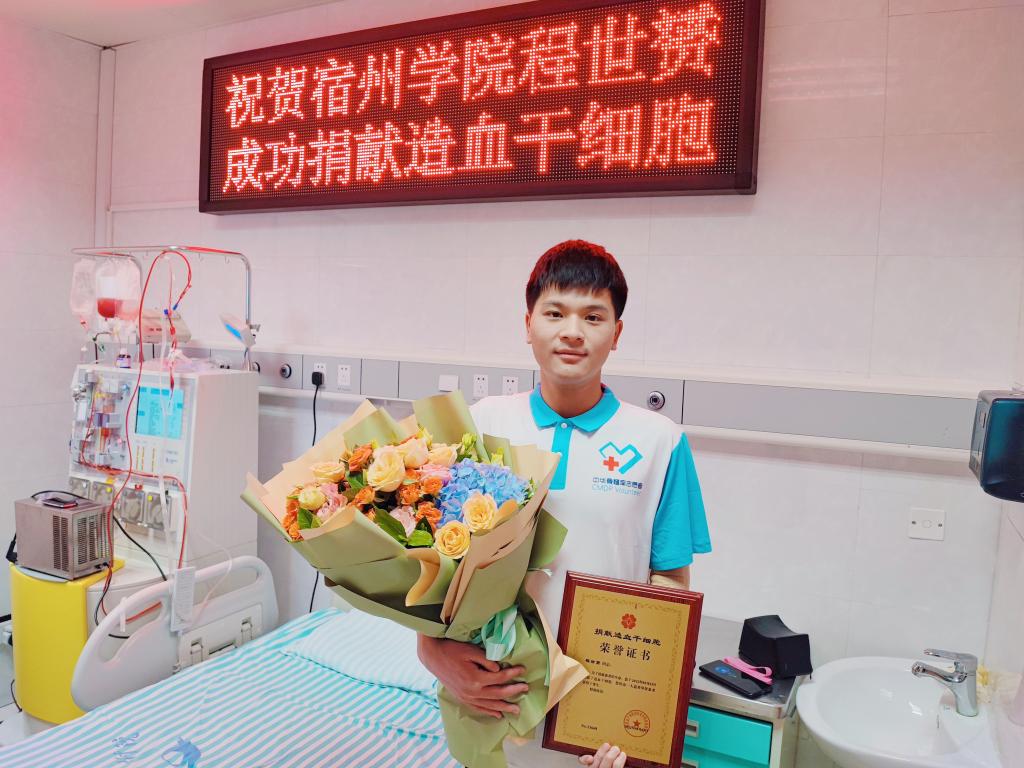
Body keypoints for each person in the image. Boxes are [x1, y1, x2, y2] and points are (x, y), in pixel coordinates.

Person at [418, 240, 712, 768]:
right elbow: (431, 562)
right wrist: (433, 652)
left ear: (616, 333)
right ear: (528, 324)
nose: (573, 331)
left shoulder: (660, 442)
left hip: (598, 715)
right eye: (555, 313)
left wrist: (640, 708)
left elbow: (670, 582)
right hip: (492, 697)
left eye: (593, 316)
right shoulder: (482, 424)